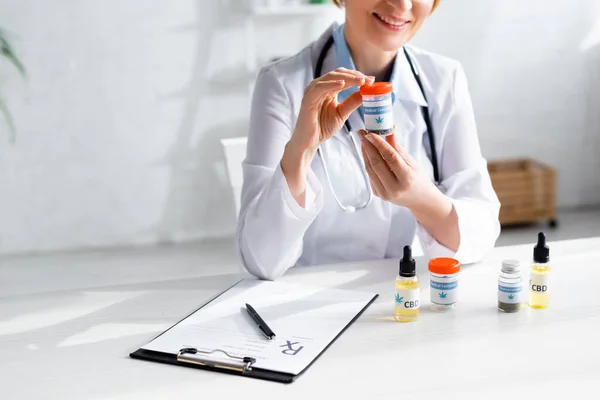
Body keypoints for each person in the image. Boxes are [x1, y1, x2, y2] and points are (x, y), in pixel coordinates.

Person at [236, 0, 500, 280]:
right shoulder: (282, 84)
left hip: (410, 295)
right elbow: (260, 260)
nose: (402, 4)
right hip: (312, 303)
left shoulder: (445, 79)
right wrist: (300, 150)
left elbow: (480, 235)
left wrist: (421, 198)